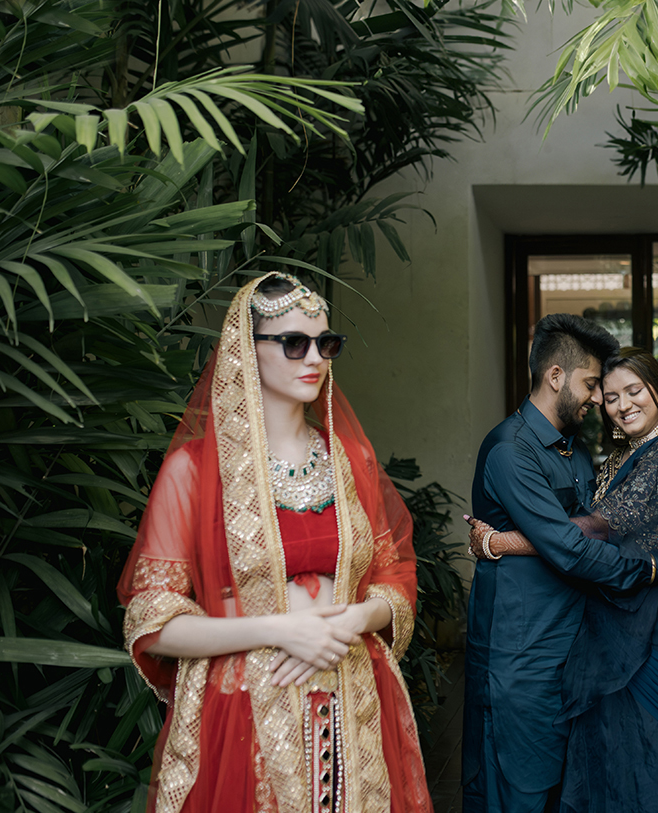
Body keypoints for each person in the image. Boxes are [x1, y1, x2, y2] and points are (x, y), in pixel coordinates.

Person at [118, 273, 430, 813]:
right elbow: (154, 620)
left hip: (353, 694)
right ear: (246, 347)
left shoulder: (350, 462)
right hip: (245, 713)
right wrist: (277, 630)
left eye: (325, 344)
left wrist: (359, 618)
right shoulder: (193, 473)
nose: (314, 357)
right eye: (293, 343)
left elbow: (393, 575)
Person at [469, 347, 658, 813]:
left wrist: (502, 542)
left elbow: (594, 528)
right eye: (611, 396)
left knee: (653, 766)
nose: (622, 405)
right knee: (619, 769)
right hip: (618, 627)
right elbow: (580, 533)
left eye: (634, 391)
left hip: (657, 636)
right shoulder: (621, 454)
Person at [462, 316, 658, 813]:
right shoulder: (511, 450)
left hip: (572, 647)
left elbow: (594, 527)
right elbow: (568, 546)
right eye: (592, 385)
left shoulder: (575, 452)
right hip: (521, 654)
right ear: (556, 377)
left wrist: (504, 542)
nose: (600, 399)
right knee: (520, 788)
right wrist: (646, 570)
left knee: (565, 787)